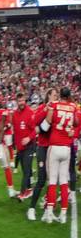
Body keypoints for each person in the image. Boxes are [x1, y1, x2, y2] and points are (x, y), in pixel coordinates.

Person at [36, 88, 78, 224]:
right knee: (64, 182)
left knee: (53, 181)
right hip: (66, 147)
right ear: (69, 96)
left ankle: (49, 213)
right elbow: (77, 122)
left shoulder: (54, 105)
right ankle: (64, 214)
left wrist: (45, 119)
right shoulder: (73, 107)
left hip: (54, 146)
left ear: (60, 95)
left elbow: (46, 126)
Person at [13, 94, 37, 199]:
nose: (21, 103)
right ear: (17, 102)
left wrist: (28, 138)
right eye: (19, 101)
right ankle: (29, 189)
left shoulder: (30, 113)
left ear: (25, 101)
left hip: (30, 146)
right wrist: (16, 146)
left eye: (23, 100)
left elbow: (35, 129)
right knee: (25, 170)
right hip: (20, 147)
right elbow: (16, 131)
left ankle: (22, 193)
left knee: (26, 171)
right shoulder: (14, 114)